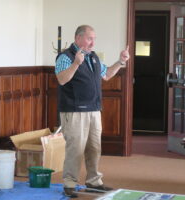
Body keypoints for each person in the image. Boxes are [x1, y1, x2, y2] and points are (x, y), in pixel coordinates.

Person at [55, 25, 130, 198]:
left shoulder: (93, 57)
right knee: (76, 149)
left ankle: (93, 181)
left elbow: (107, 75)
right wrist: (76, 64)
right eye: (89, 38)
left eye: (94, 38)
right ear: (78, 38)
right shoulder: (65, 57)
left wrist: (120, 61)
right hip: (74, 111)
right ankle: (69, 184)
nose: (93, 42)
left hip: (94, 110)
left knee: (94, 148)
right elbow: (62, 79)